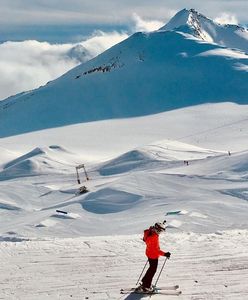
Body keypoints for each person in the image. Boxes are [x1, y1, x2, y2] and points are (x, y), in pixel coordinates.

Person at [136, 222, 171, 293]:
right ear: (157, 230)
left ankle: (145, 282)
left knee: (150, 269)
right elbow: (156, 250)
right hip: (153, 255)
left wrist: (160, 225)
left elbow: (144, 238)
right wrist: (165, 254)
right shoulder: (154, 237)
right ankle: (146, 287)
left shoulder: (150, 231)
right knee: (152, 270)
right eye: (160, 231)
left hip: (149, 253)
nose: (160, 233)